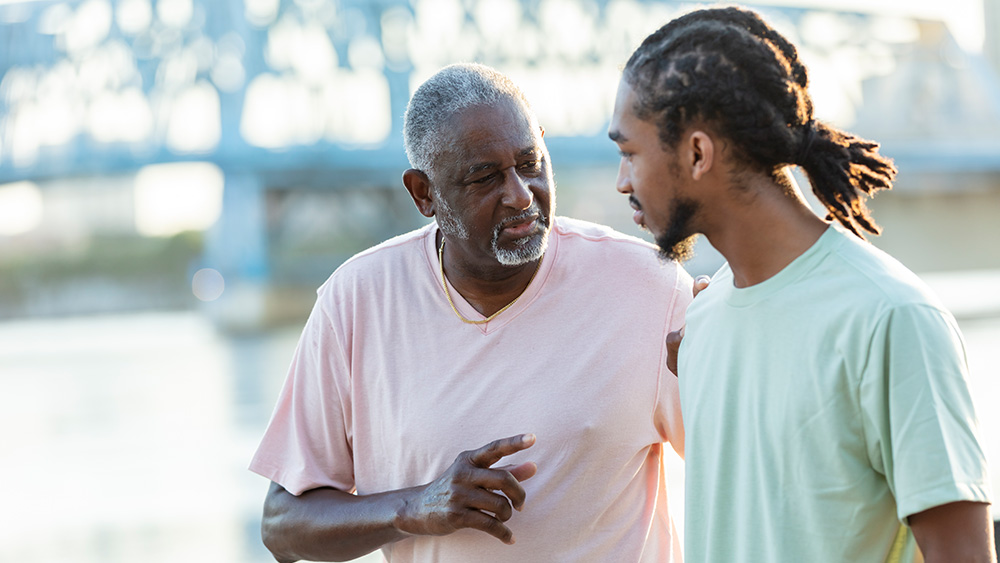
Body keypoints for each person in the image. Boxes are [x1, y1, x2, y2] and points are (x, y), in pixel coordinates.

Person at [250, 63, 694, 563]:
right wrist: (412, 507)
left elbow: (745, 463)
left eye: (530, 163)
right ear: (424, 194)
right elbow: (282, 524)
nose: (521, 196)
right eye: (484, 177)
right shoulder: (355, 301)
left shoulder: (646, 285)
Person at [608, 6, 995, 562]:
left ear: (697, 153)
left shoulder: (891, 318)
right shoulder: (702, 323)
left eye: (629, 153)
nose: (622, 181)